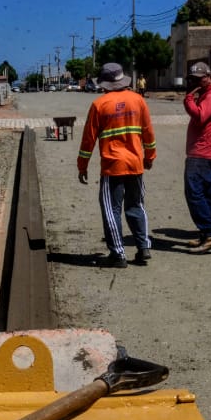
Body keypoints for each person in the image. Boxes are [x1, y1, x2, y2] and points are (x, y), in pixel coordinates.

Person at [77, 63, 156, 268]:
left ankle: (118, 254)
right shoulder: (138, 100)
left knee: (111, 210)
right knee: (136, 206)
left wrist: (82, 166)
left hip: (113, 167)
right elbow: (148, 132)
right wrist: (150, 156)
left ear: (104, 84)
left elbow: (88, 140)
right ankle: (143, 247)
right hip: (135, 164)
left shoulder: (99, 105)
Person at [182, 62, 211, 253]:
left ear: (209, 76)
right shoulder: (209, 93)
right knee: (207, 192)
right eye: (193, 79)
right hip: (204, 152)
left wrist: (188, 99)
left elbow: (200, 116)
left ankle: (209, 233)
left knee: (194, 193)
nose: (196, 82)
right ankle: (210, 233)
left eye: (200, 78)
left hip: (202, 153)